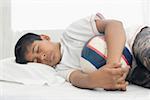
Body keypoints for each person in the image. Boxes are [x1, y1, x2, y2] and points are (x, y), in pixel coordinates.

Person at [14, 13, 150, 90]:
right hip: (129, 72)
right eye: (36, 61)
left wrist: (112, 64)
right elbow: (81, 79)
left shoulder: (72, 33)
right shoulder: (61, 70)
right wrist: (101, 80)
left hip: (134, 41)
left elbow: (114, 25)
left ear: (45, 37)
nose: (42, 57)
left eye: (37, 50)